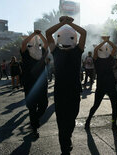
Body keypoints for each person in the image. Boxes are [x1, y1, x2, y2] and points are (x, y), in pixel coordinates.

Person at [46, 16, 86, 154]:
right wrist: (65, 23)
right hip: (65, 91)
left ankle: (66, 140)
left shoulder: (76, 51)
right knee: (63, 119)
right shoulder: (57, 52)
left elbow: (84, 33)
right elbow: (47, 33)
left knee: (70, 118)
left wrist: (66, 23)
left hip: (70, 90)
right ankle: (65, 147)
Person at [85, 36, 117, 132]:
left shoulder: (109, 58)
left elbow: (115, 48)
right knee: (96, 105)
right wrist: (104, 41)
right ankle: (88, 120)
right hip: (101, 86)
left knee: (114, 106)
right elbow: (96, 49)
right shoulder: (96, 59)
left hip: (110, 84)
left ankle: (114, 124)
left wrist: (107, 41)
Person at [21, 30, 49, 138]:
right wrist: (33, 35)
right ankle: (34, 128)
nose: (35, 46)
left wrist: (39, 35)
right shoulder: (25, 53)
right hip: (29, 84)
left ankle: (34, 121)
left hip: (42, 84)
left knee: (43, 106)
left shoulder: (42, 52)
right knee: (32, 108)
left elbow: (46, 44)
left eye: (37, 44)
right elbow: (24, 44)